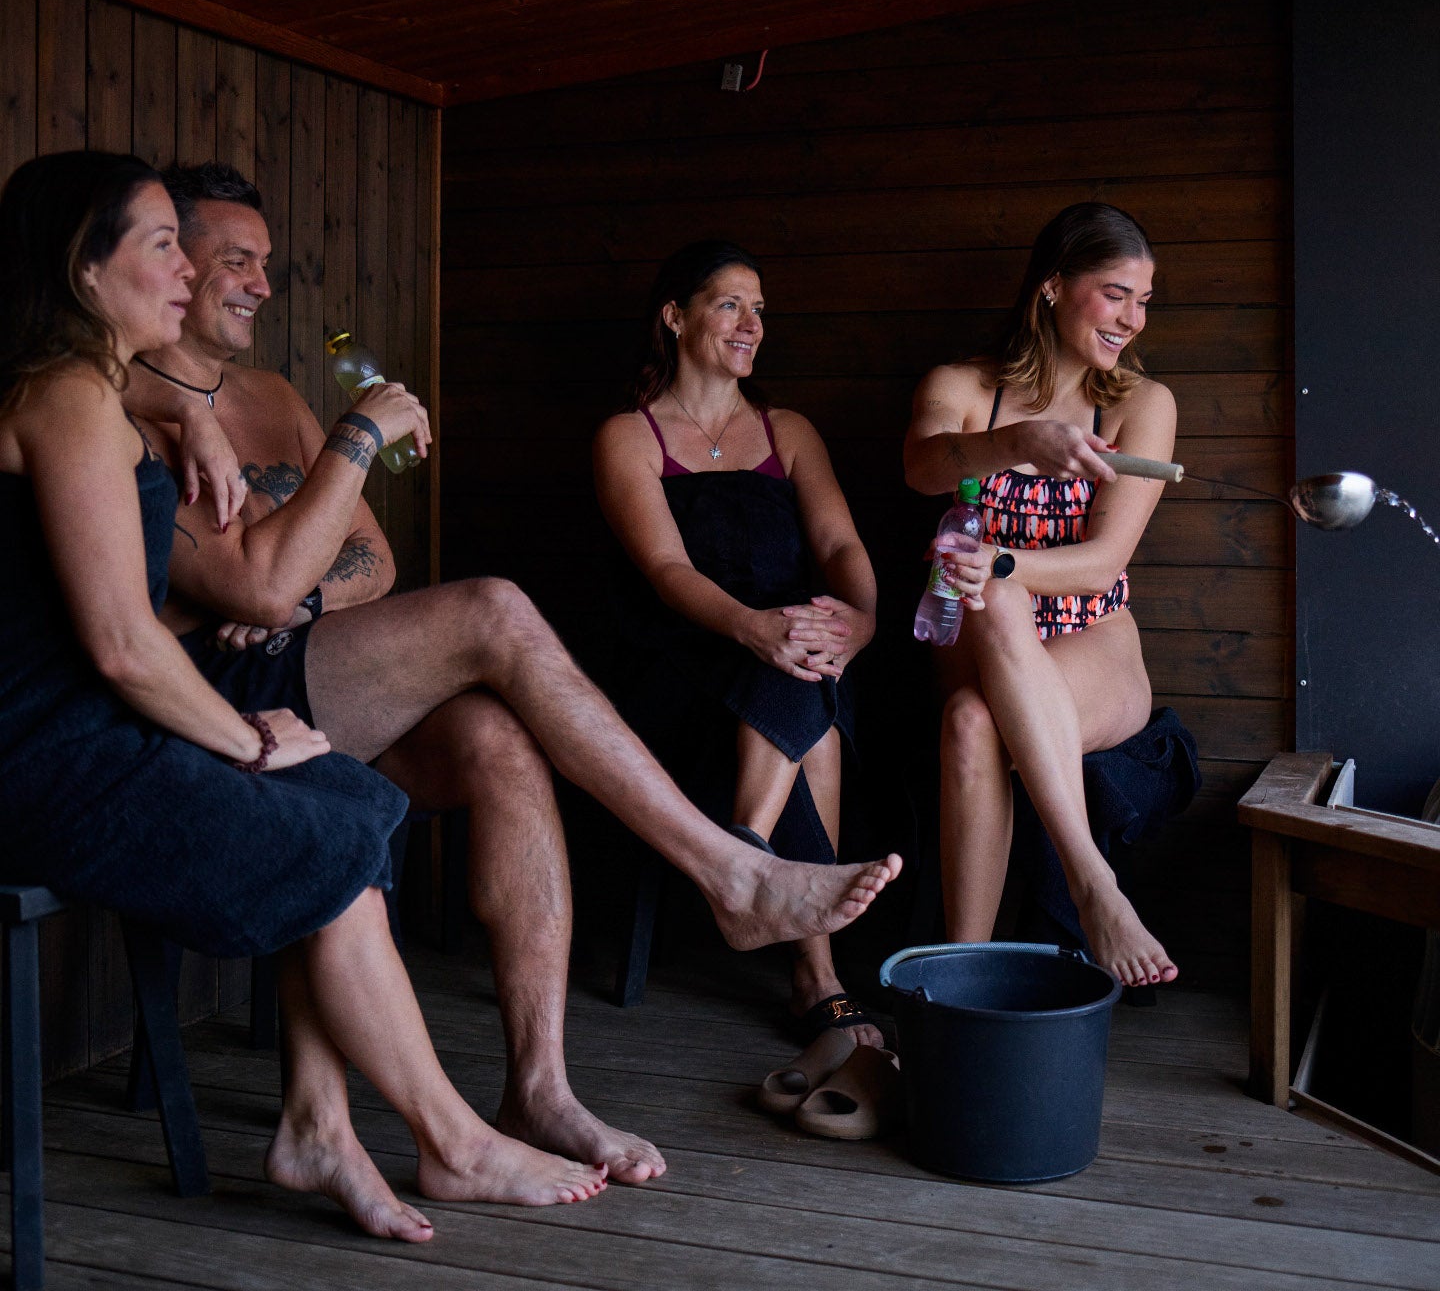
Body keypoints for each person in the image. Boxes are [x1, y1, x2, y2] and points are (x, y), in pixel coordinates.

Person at [124, 165, 903, 1180]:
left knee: (502, 742)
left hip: (310, 666)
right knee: (493, 609)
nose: (263, 285)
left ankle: (540, 1088)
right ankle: (732, 871)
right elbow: (254, 589)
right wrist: (350, 446)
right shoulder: (112, 401)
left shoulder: (271, 396)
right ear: (176, 264)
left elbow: (370, 563)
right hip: (209, 695)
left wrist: (305, 598)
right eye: (237, 261)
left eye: (267, 263)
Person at [0, 149, 613, 1248]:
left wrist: (183, 413)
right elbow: (124, 648)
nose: (185, 271)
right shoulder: (68, 401)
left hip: (89, 733)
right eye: (162, 246)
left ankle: (321, 1131)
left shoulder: (78, 388)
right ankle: (451, 1140)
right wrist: (246, 737)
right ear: (85, 268)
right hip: (50, 753)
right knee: (315, 812)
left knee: (351, 798)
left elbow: (104, 410)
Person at [593, 242, 885, 1048]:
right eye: (730, 304)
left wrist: (861, 622)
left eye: (759, 310)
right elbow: (665, 569)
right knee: (809, 707)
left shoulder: (787, 431)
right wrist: (754, 628)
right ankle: (816, 976)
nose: (752, 324)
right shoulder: (629, 436)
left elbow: (841, 547)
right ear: (674, 315)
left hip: (793, 648)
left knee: (806, 674)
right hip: (681, 665)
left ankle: (744, 868)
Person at [902, 202, 1178, 990]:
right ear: (1053, 286)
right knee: (993, 623)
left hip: (1094, 644)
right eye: (1115, 294)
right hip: (977, 640)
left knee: (973, 715)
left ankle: (975, 962)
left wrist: (999, 563)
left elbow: (1099, 566)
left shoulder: (1140, 403)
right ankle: (1074, 900)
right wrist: (1017, 442)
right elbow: (920, 468)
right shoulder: (962, 387)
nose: (1132, 318)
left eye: (1143, 300)